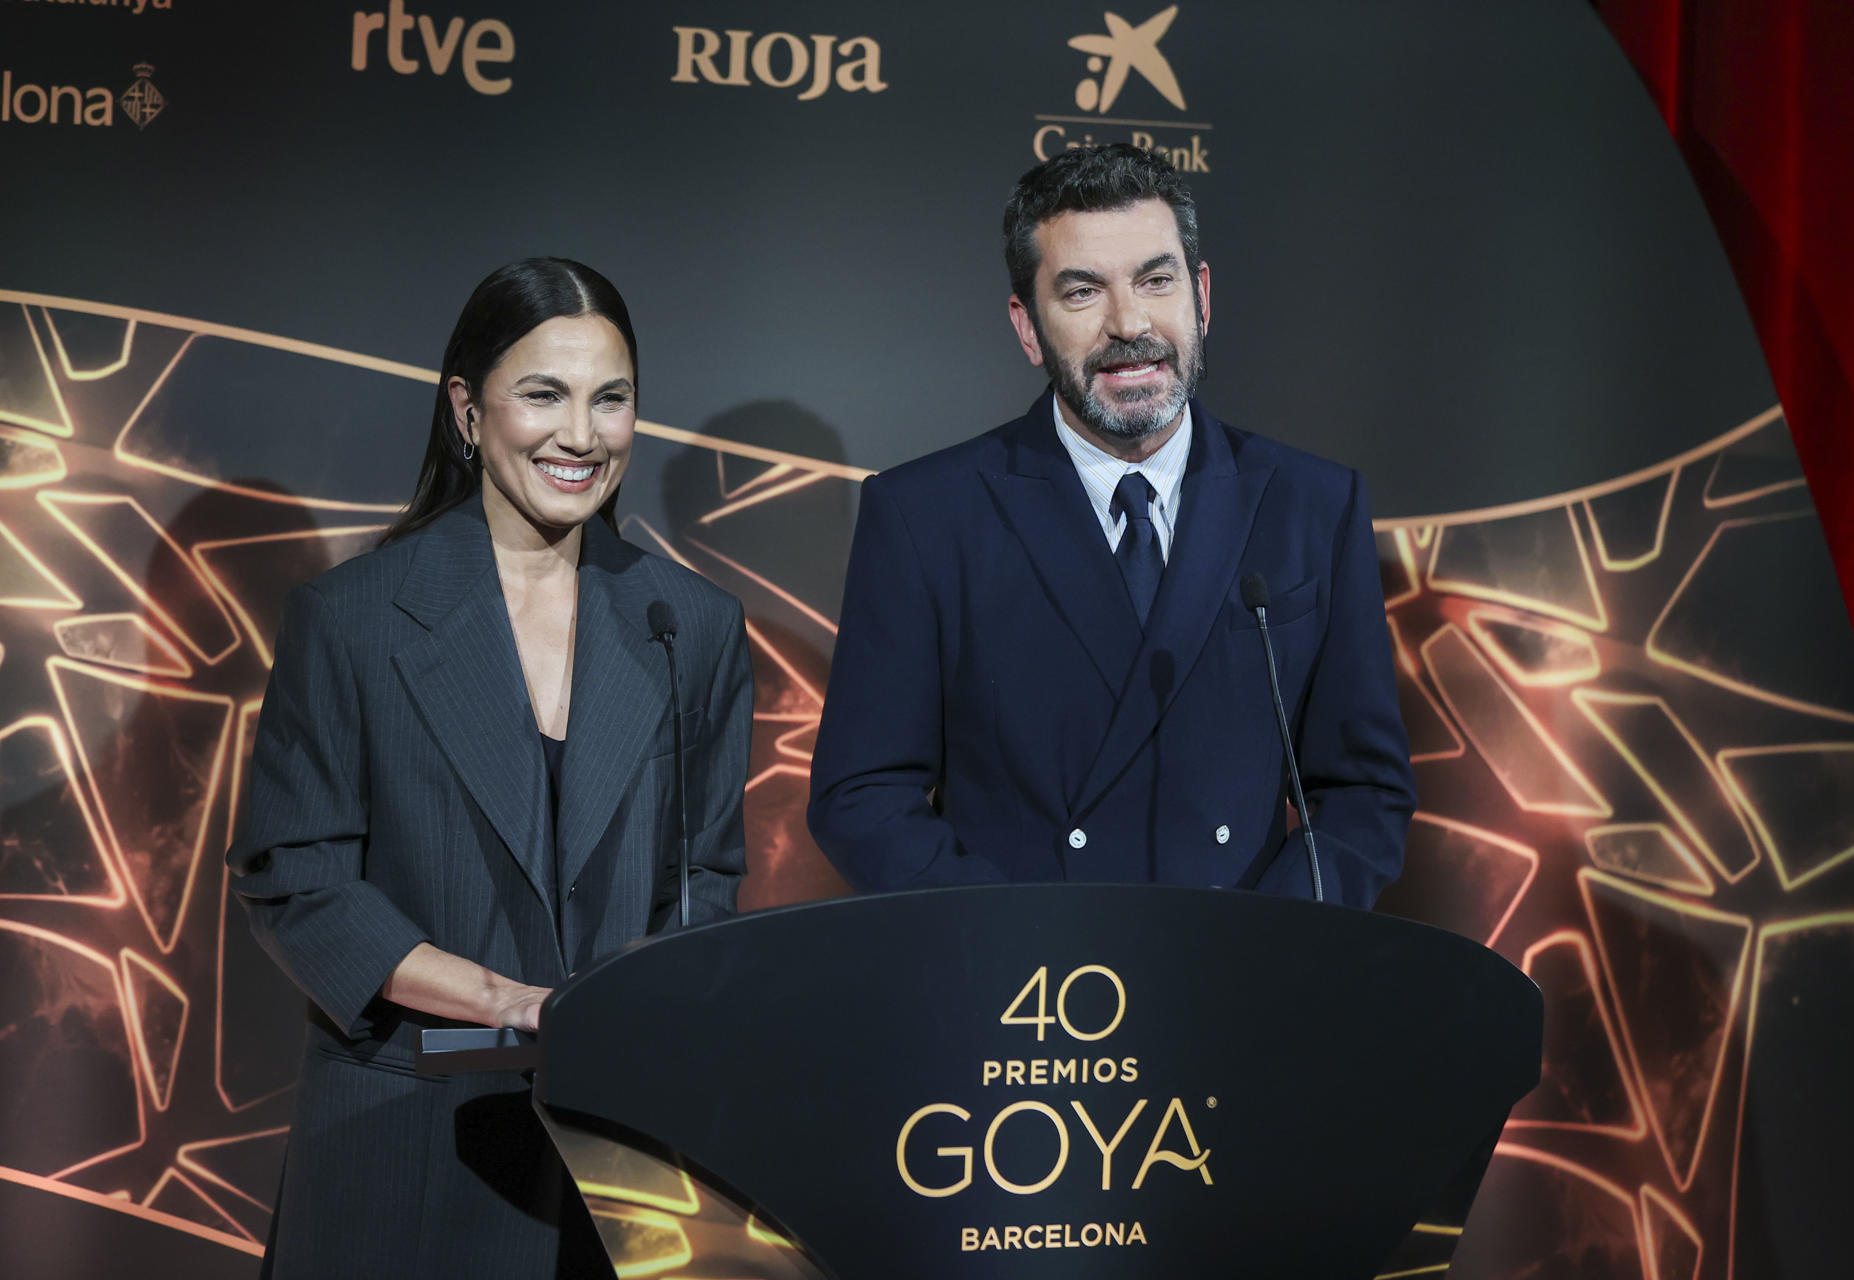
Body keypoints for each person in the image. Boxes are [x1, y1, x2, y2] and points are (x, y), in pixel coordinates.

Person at [227, 258, 752, 1278]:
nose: (581, 435)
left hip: (620, 1160)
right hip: (404, 1137)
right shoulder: (354, 619)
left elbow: (707, 878)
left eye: (611, 399)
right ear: (468, 409)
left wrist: (639, 1017)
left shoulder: (690, 623)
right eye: (543, 394)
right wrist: (504, 1002)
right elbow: (299, 883)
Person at [807, 145, 1414, 904]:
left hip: (1241, 984)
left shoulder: (1314, 506)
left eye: (1156, 281)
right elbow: (862, 796)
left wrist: (1273, 943)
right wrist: (1017, 943)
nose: (1130, 324)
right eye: (1083, 292)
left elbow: (1364, 793)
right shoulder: (927, 515)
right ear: (1028, 327)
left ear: (1201, 297)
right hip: (1023, 992)